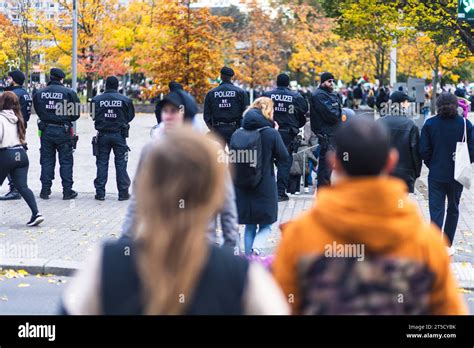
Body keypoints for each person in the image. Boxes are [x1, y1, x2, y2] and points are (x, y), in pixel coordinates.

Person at [61, 127, 289, 315]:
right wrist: (231, 244)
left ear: (147, 189)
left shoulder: (107, 265)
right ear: (214, 194)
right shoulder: (240, 276)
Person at [273, 117, 468, 315]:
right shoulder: (427, 245)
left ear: (335, 162)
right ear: (391, 161)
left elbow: (280, 305)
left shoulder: (299, 237)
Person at [122, 90, 239, 250]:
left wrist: (230, 243)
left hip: (201, 243)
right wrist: (126, 237)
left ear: (187, 115)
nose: (168, 116)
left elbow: (226, 200)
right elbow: (138, 197)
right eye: (165, 111)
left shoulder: (210, 151)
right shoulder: (152, 150)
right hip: (161, 242)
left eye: (174, 111)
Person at [420, 93, 474, 256]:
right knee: (453, 208)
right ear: (455, 105)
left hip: (436, 174)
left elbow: (424, 151)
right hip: (457, 174)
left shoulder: (430, 124)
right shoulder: (465, 124)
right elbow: (472, 150)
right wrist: (463, 162)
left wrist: (432, 164)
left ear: (438, 105)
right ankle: (447, 244)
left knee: (436, 210)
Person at [233, 97, 288, 255]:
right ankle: (256, 251)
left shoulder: (239, 132)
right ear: (268, 111)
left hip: (243, 185)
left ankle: (248, 258)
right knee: (266, 225)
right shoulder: (271, 133)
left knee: (250, 225)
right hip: (265, 184)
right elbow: (284, 157)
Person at [33, 68, 80, 200]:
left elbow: (38, 110)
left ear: (50, 77)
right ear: (61, 79)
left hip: (46, 130)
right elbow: (76, 114)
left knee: (47, 161)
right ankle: (67, 191)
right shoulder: (68, 93)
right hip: (63, 131)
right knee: (66, 161)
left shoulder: (40, 93)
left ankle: (45, 190)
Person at [0, 92, 44, 226]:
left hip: (5, 155)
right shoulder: (18, 118)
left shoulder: (1, 118)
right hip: (21, 155)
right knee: (22, 187)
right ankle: (36, 213)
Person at [263, 73, 308, 201]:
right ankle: (280, 193)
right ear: (288, 83)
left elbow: (259, 111)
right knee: (284, 163)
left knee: (267, 162)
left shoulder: (267, 95)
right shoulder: (296, 96)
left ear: (277, 82)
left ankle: (267, 191)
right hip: (287, 134)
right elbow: (303, 111)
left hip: (269, 131)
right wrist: (297, 124)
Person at [91, 76, 135, 201]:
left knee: (102, 163)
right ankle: (123, 193)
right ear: (117, 86)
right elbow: (130, 116)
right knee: (121, 164)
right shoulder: (125, 100)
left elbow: (92, 115)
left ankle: (100, 193)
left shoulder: (96, 100)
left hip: (103, 135)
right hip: (119, 135)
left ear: (105, 85)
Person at [377, 90, 421, 193]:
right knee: (399, 204)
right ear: (401, 104)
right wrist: (416, 172)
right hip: (404, 173)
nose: (409, 104)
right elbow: (415, 152)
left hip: (383, 172)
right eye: (407, 102)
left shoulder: (379, 122)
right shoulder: (411, 125)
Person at [0, 70, 32, 201]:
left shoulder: (13, 95)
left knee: (9, 157)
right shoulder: (25, 94)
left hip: (10, 127)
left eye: (9, 78)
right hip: (20, 127)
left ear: (14, 79)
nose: (7, 80)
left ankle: (14, 188)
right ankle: (16, 187)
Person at [309, 72, 342, 189]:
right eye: (329, 81)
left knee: (329, 163)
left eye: (332, 81)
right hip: (326, 133)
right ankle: (324, 188)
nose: (331, 83)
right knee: (326, 163)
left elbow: (336, 111)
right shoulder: (319, 95)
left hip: (332, 132)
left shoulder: (330, 94)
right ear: (322, 82)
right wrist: (338, 114)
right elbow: (331, 114)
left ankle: (325, 186)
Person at [203, 67, 249, 146]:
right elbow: (246, 112)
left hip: (218, 129)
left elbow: (207, 114)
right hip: (235, 129)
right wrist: (240, 127)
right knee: (235, 155)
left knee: (217, 156)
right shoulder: (240, 92)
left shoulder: (211, 93)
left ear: (221, 76)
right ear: (232, 77)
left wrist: (213, 129)